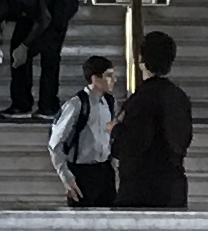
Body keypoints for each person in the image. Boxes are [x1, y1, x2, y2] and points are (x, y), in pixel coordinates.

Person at [0, 0, 82, 121]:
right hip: (36, 4)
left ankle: (49, 106)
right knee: (17, 52)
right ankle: (21, 105)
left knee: (49, 50)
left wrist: (26, 46)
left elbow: (45, 20)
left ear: (6, 10)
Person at [114, 30, 194, 210]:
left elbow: (132, 144)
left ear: (142, 61)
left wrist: (116, 130)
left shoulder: (140, 99)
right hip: (174, 186)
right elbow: (184, 139)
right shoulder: (179, 97)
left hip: (140, 188)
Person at [49, 54, 120, 207]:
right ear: (95, 78)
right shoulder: (76, 104)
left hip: (105, 170)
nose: (114, 79)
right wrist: (65, 175)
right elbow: (55, 143)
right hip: (82, 172)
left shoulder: (110, 102)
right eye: (109, 75)